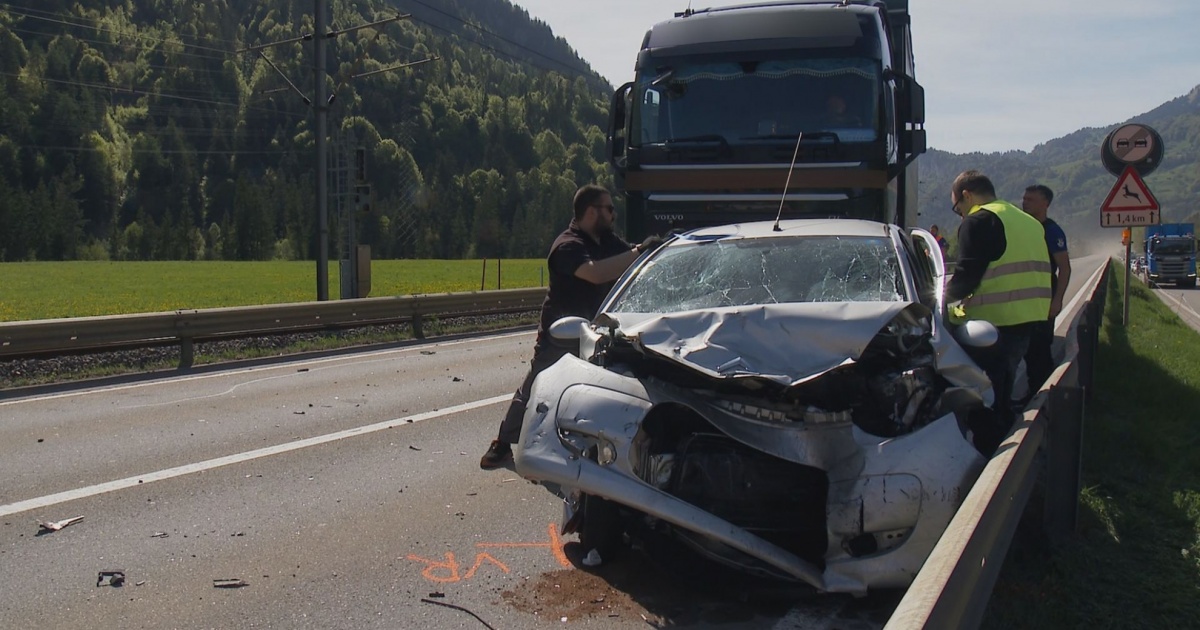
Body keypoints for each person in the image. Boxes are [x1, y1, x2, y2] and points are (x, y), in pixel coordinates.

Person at [480, 185, 664, 469]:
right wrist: (639, 251)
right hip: (561, 334)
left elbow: (628, 260)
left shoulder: (606, 241)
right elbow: (594, 273)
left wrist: (656, 250)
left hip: (598, 333)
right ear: (592, 212)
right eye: (609, 209)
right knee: (535, 387)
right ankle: (503, 445)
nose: (614, 215)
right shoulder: (567, 245)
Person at [945, 170, 1052, 453]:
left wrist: (939, 303)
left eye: (958, 208)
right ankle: (1006, 450)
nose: (960, 215)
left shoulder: (978, 221)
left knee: (987, 399)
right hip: (1030, 319)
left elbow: (967, 276)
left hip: (993, 325)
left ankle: (993, 457)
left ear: (967, 195)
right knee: (1003, 390)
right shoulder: (1026, 221)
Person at [1015, 184, 1071, 408]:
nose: (1024, 202)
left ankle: (1045, 402)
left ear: (1045, 203)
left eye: (1030, 199)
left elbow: (1065, 268)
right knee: (1027, 351)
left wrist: (1057, 301)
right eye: (1024, 198)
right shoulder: (1022, 228)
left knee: (1039, 352)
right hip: (1025, 300)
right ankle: (1033, 395)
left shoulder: (1052, 231)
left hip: (1044, 299)